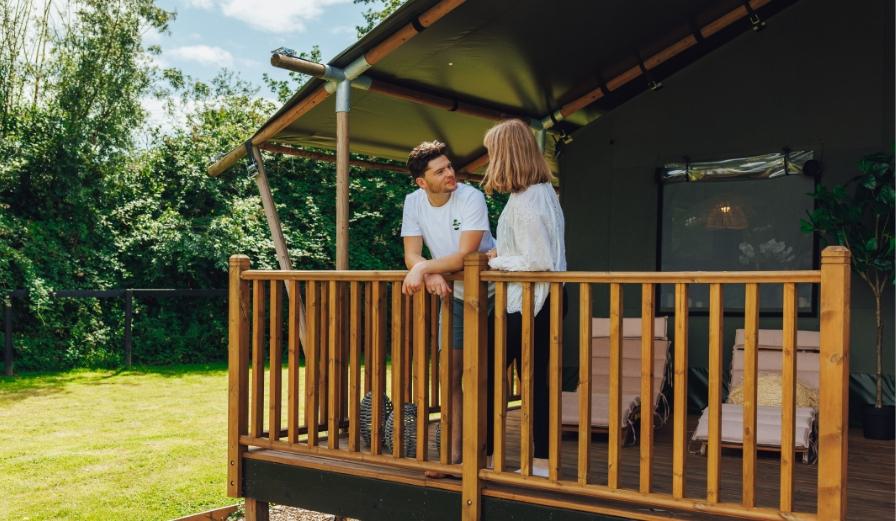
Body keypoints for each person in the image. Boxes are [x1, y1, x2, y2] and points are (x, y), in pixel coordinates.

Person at [400, 140, 496, 469]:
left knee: (487, 373)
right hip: (453, 295)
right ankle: (455, 456)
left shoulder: (471, 197)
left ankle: (484, 455)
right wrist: (425, 272)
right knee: (450, 374)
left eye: (450, 166)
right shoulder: (413, 203)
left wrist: (425, 268)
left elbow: (468, 256)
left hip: (493, 294)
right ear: (422, 182)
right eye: (440, 171)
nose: (450, 174)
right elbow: (411, 252)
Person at [481, 119, 566, 477]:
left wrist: (497, 260)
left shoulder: (528, 199)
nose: (489, 161)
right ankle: (541, 463)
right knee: (539, 381)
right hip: (541, 301)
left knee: (485, 376)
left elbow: (539, 261)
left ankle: (485, 459)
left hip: (526, 302)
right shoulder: (543, 191)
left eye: (491, 153)